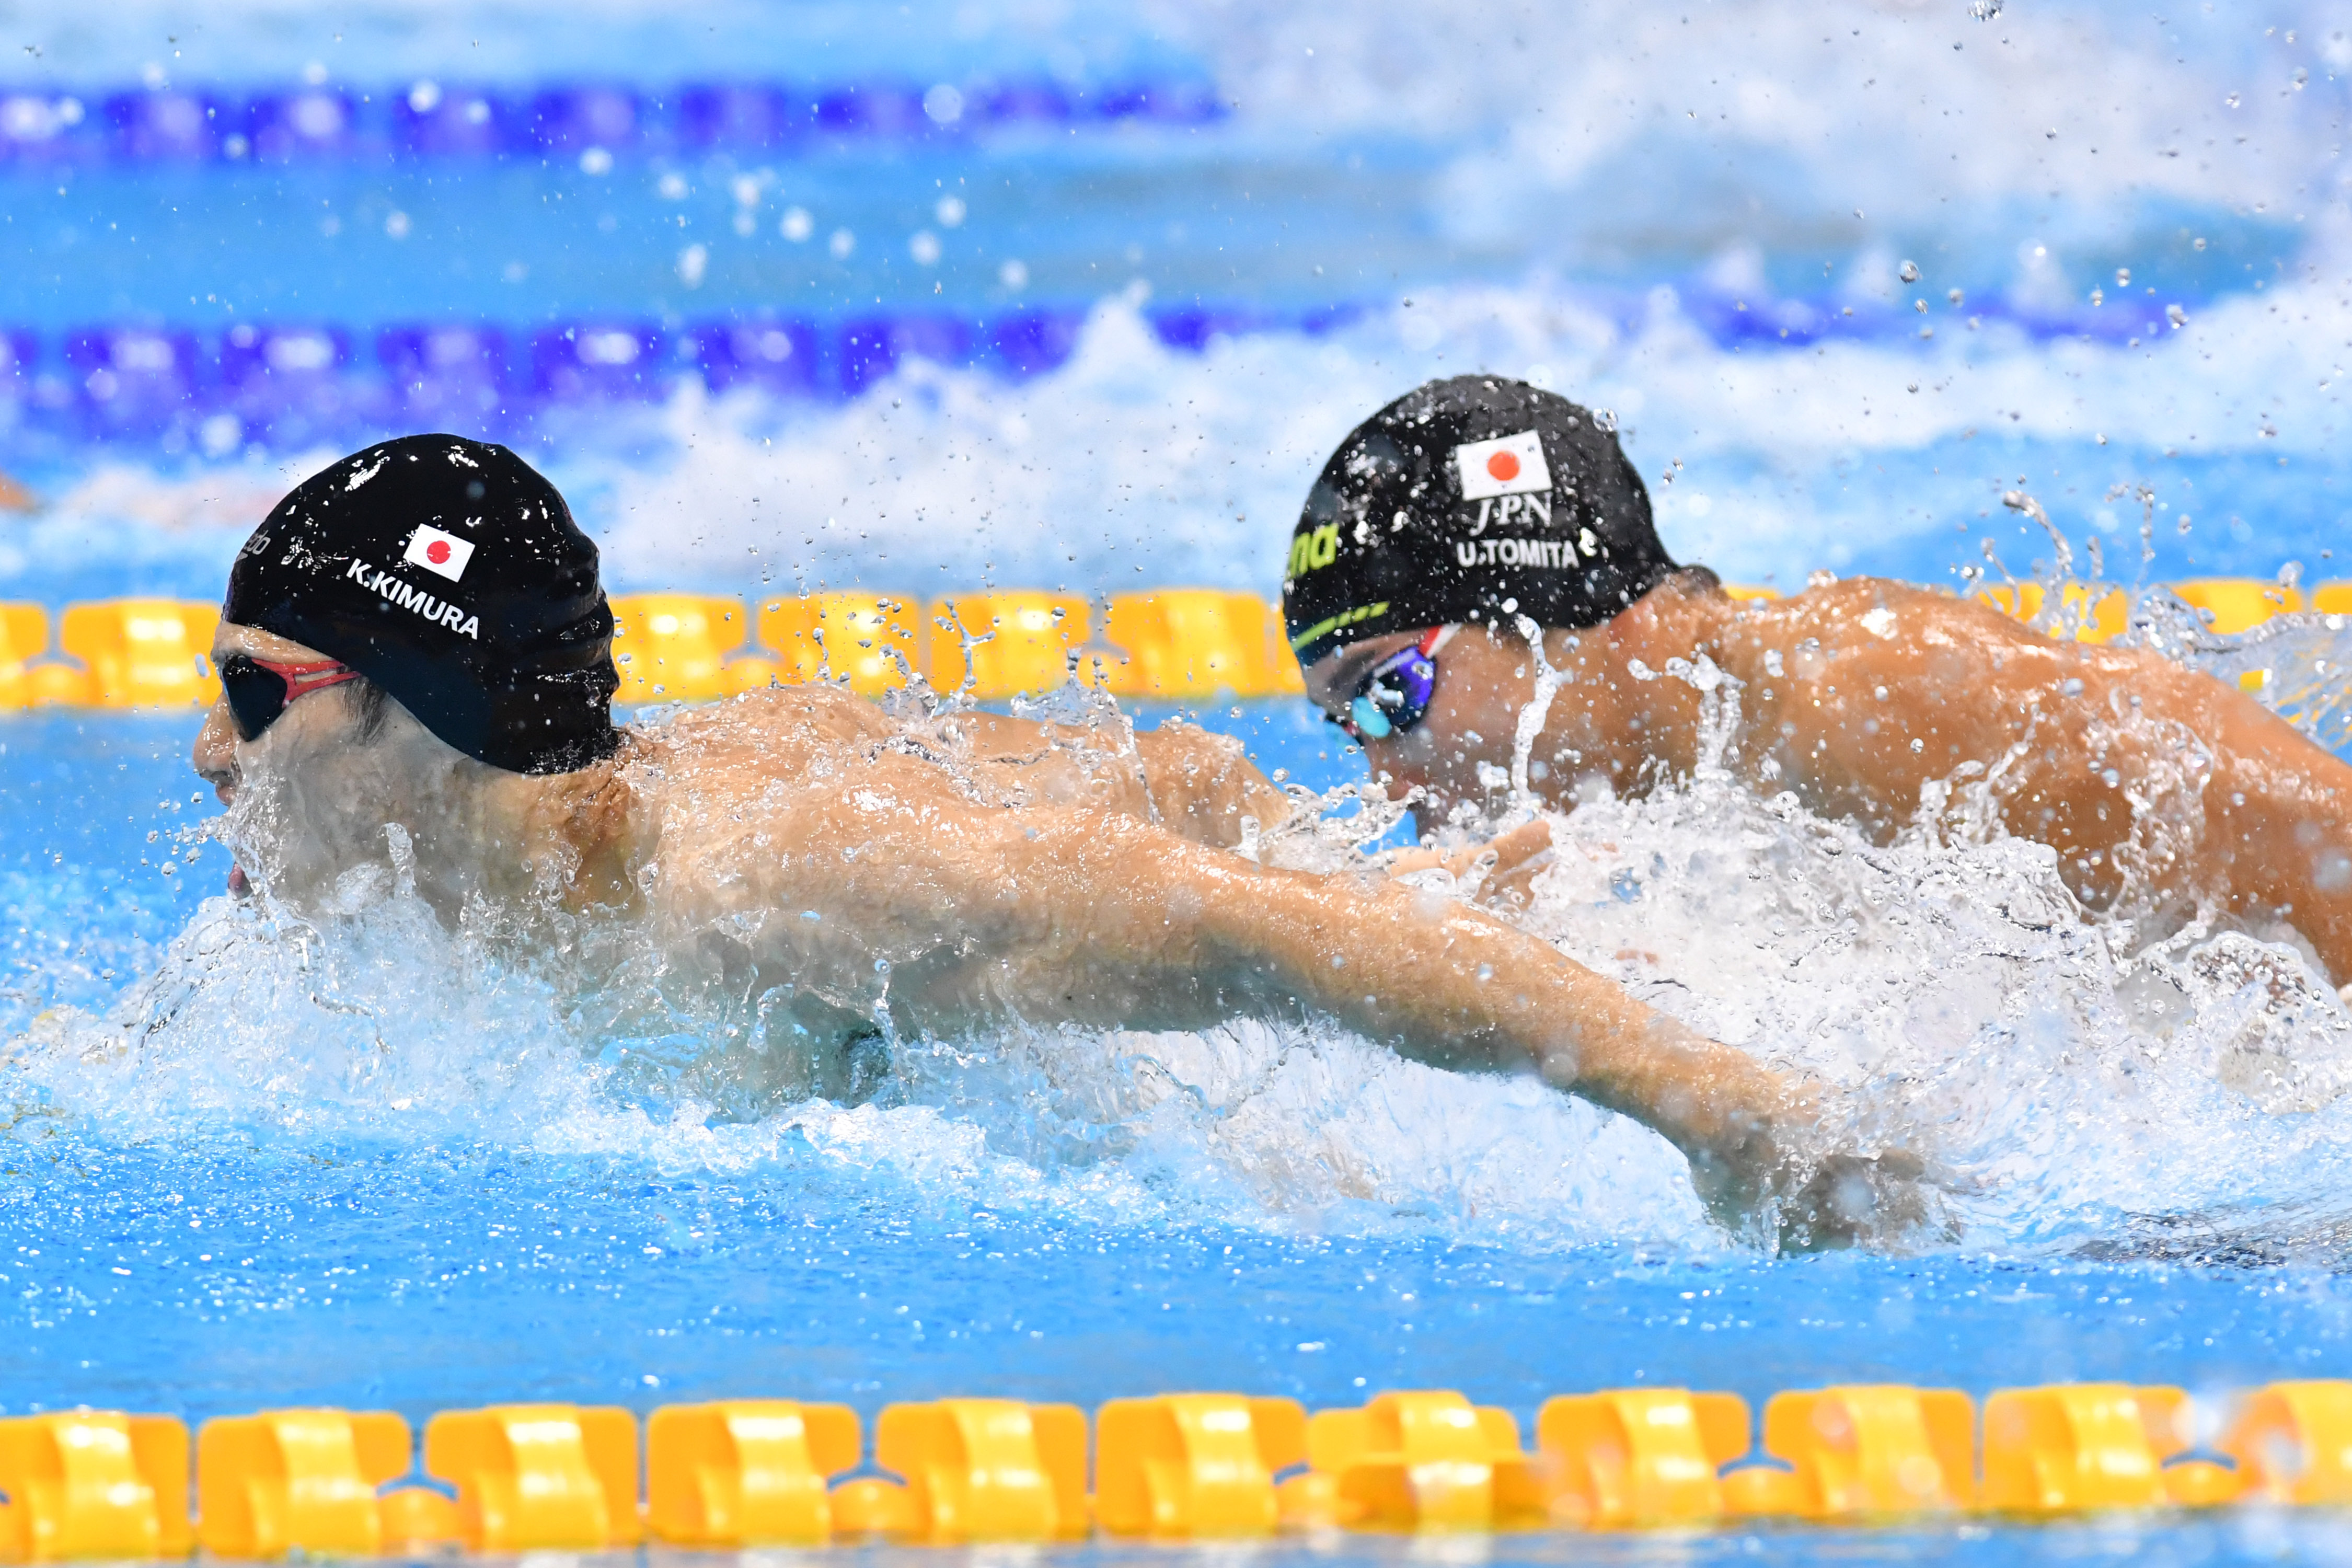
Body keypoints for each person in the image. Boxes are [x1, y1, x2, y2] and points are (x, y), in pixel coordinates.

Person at [193, 433, 1906, 1249]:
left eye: (254, 695)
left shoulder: (762, 889)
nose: (212, 753)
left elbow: (1261, 931)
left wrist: (1716, 1107)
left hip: (1285, 886)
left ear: (424, 708)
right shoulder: (416, 885)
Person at [1284, 375, 2352, 985]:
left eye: (1391, 695)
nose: (1384, 785)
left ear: (1548, 604)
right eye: (1349, 729)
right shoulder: (1699, 792)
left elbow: (2329, 838)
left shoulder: (1866, 693)